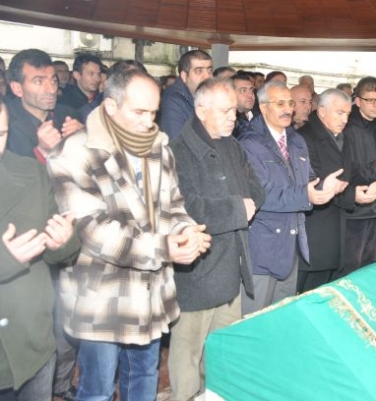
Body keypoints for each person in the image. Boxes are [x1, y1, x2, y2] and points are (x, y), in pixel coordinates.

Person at [47, 69, 211, 401]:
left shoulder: (159, 148)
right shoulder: (75, 152)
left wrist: (185, 231)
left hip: (150, 292)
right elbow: (94, 232)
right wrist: (165, 248)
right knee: (98, 389)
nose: (148, 122)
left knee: (144, 377)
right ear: (110, 106)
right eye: (139, 112)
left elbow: (173, 205)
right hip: (102, 293)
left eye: (154, 112)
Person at [168, 78, 265, 401]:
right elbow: (187, 207)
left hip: (230, 268)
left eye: (234, 111)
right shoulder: (179, 151)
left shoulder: (232, 145)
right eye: (225, 111)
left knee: (220, 354)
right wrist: (238, 208)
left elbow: (257, 190)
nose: (232, 118)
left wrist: (243, 205)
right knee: (187, 356)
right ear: (200, 110)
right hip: (197, 271)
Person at [238, 81, 344, 314]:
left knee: (280, 318)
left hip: (291, 246)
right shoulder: (249, 144)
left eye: (290, 103)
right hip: (262, 248)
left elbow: (308, 179)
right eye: (280, 104)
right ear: (263, 107)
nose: (288, 109)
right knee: (254, 320)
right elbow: (261, 194)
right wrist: (306, 195)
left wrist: (324, 186)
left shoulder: (296, 141)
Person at [0, 100, 79, 401]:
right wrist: (5, 260)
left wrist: (63, 241)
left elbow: (59, 249)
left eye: (1, 134)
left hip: (34, 341)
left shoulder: (31, 172)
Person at [297, 88, 358, 291]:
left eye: (348, 114)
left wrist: (362, 190)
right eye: (340, 113)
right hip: (314, 229)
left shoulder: (343, 137)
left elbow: (349, 174)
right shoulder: (304, 138)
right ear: (322, 111)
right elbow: (314, 182)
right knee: (304, 292)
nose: (345, 119)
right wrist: (354, 195)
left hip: (335, 228)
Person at [340, 76, 376, 275]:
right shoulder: (348, 127)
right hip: (355, 210)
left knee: (368, 268)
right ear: (358, 101)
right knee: (351, 268)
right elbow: (345, 172)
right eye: (370, 100)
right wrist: (375, 168)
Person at [6, 49, 82, 163]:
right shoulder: (5, 123)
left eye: (53, 81)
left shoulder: (70, 115)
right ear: (17, 89)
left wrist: (83, 139)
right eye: (39, 82)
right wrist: (41, 152)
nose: (51, 90)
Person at [159, 50, 213, 138]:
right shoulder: (172, 100)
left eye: (209, 70)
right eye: (199, 71)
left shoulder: (207, 95)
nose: (207, 76)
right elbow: (178, 142)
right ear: (184, 76)